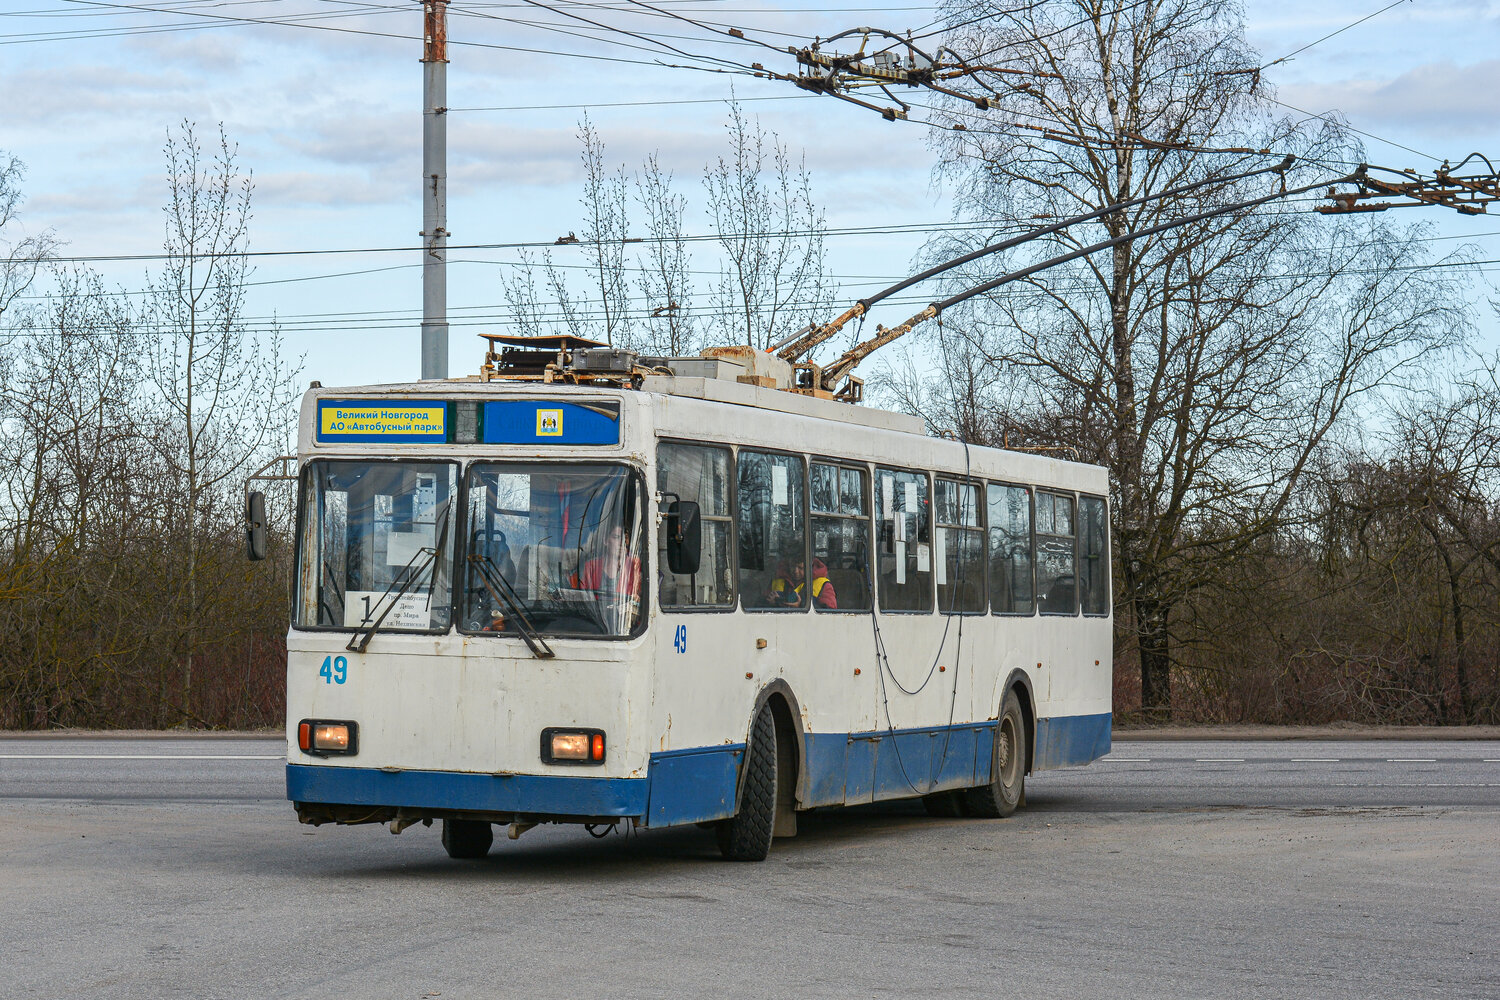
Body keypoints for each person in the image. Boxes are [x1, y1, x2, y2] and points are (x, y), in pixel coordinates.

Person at [575, 523, 641, 598]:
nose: (622, 542)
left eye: (625, 538)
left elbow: (637, 597)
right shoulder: (591, 566)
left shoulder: (634, 565)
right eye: (616, 537)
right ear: (605, 540)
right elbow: (583, 597)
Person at [768, 558, 838, 610]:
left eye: (800, 568)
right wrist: (771, 603)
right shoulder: (778, 581)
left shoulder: (823, 584)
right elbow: (759, 605)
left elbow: (830, 612)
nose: (795, 571)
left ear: (810, 567)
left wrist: (801, 606)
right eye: (792, 566)